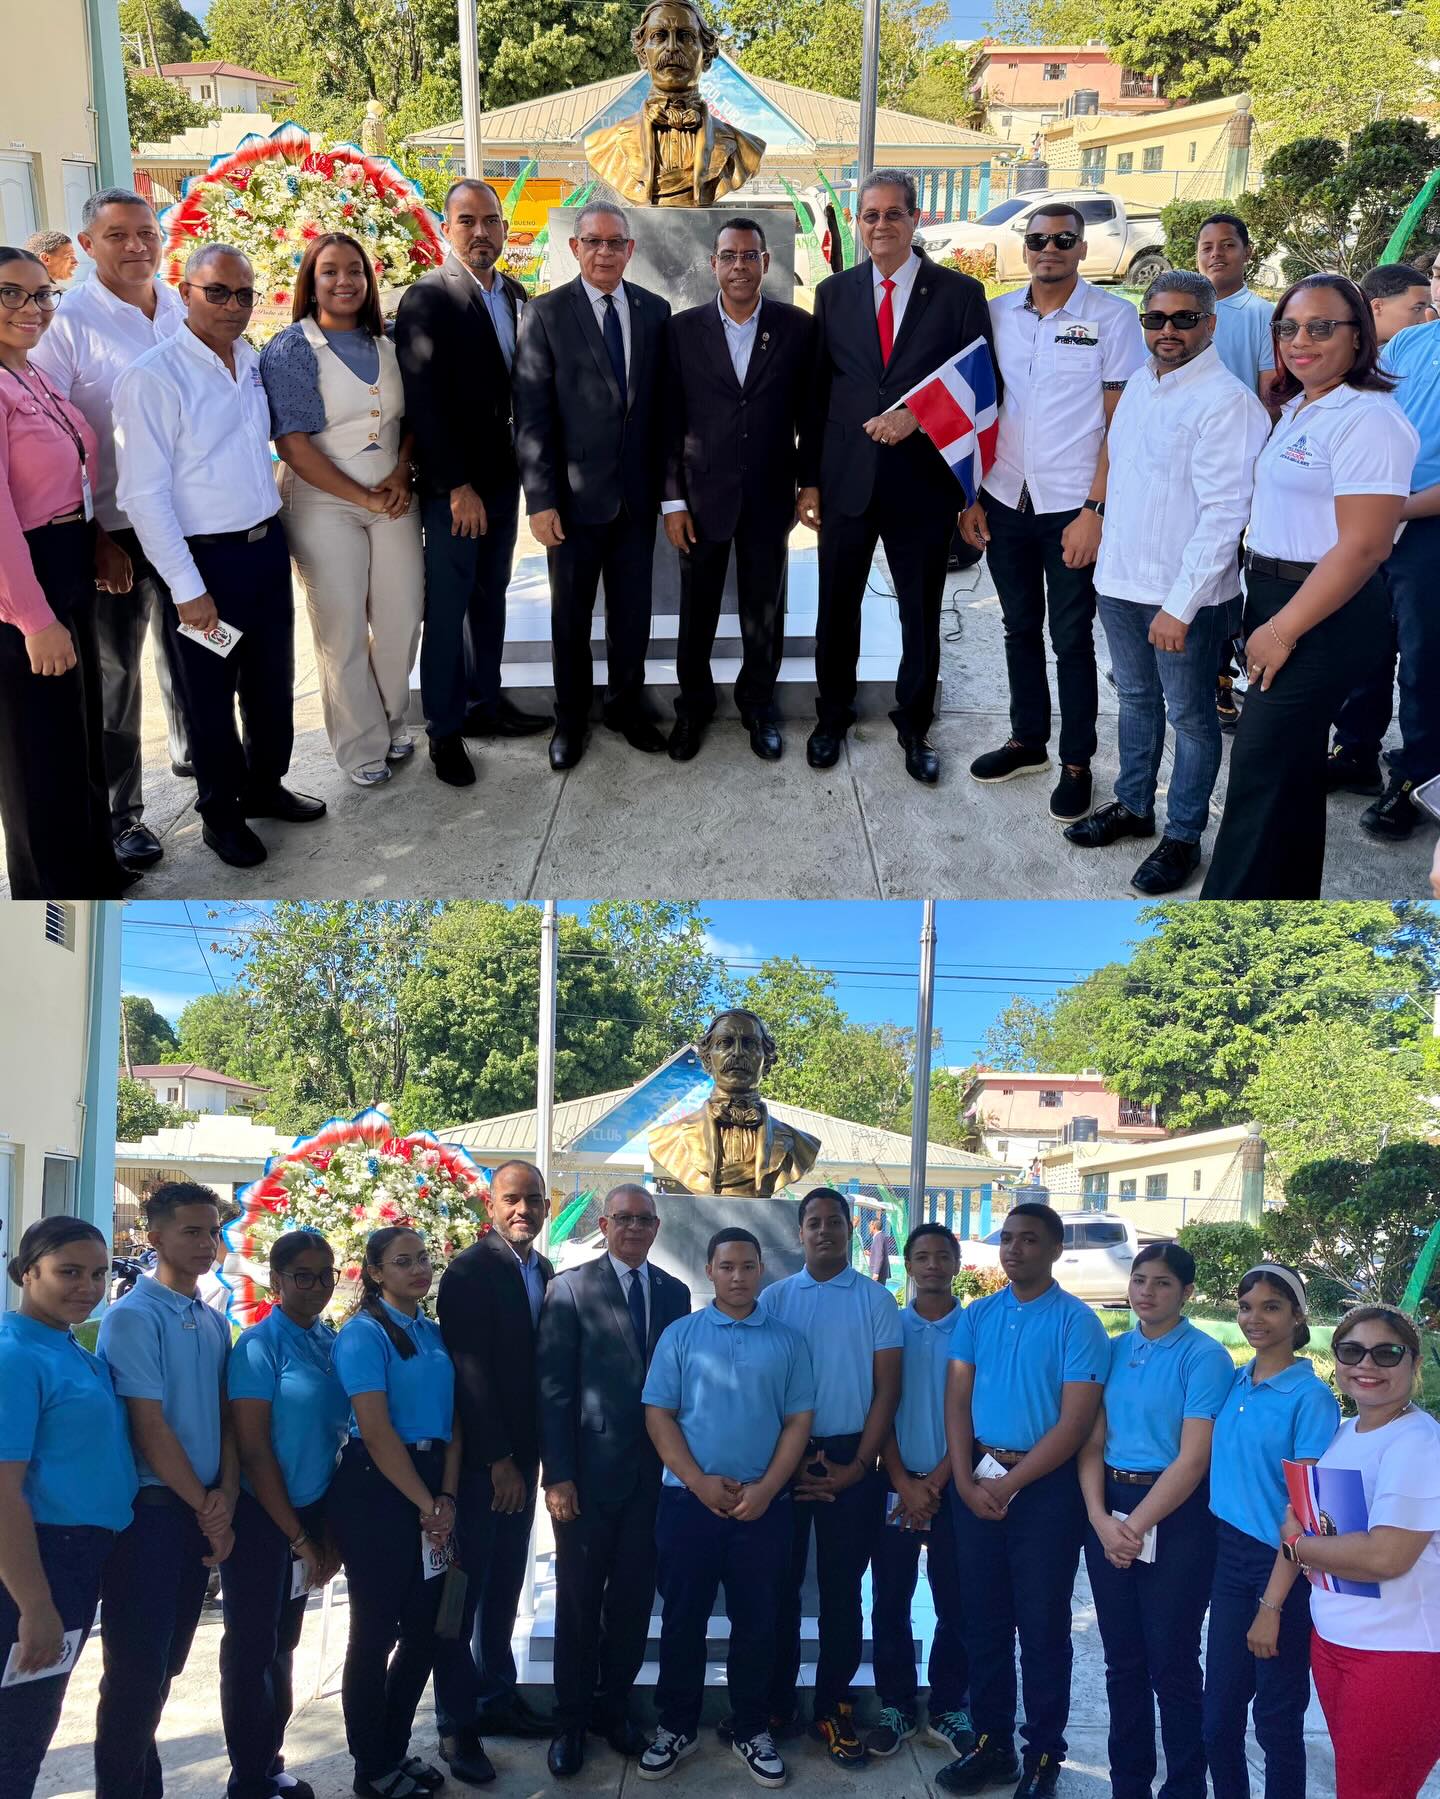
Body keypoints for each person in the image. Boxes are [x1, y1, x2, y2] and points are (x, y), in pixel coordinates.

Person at [1201, 274, 1419, 898]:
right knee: (1289, 776)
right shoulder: (1304, 404)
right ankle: (1288, 904)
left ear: (1360, 337)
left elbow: (1365, 545)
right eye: (1290, 328)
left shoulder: (1369, 418)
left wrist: (1282, 628)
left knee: (1260, 771)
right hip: (1277, 594)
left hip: (1322, 609)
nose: (1302, 341)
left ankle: (1225, 925)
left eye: (1322, 328)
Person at [112, 242, 327, 871]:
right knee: (208, 695)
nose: (233, 306)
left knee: (270, 682)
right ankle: (221, 814)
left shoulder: (252, 362)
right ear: (185, 290)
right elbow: (143, 497)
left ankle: (265, 785)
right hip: (204, 565)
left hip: (262, 551)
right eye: (218, 292)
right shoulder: (153, 377)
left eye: (244, 294)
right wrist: (186, 587)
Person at [1064, 271, 1270, 892]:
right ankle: (1133, 806)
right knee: (1133, 698)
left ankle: (1182, 836)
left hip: (1186, 597)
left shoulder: (1226, 404)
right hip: (1122, 582)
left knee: (1191, 716)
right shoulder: (1139, 389)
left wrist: (1179, 607)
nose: (1168, 331)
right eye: (1156, 320)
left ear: (1210, 324)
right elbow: (1125, 479)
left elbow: (1225, 515)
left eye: (1183, 319)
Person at [796, 168, 996, 785]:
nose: (880, 225)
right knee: (837, 609)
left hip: (921, 485)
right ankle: (832, 716)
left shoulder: (959, 294)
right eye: (870, 215)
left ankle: (915, 725)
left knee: (919, 612)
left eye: (892, 214)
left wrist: (918, 418)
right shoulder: (833, 293)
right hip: (847, 481)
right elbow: (816, 393)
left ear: (914, 220)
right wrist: (809, 480)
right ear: (859, 223)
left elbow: (980, 385)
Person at [962, 202, 1146, 821]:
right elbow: (974, 408)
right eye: (1038, 239)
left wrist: (1097, 508)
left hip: (1072, 507)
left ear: (1082, 248)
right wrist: (972, 495)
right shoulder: (995, 315)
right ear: (1026, 246)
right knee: (1018, 629)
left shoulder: (1112, 319)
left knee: (1070, 639)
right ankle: (1028, 741)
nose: (1049, 249)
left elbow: (1119, 425)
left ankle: (1077, 762)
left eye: (1063, 239)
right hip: (1006, 497)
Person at [30, 188, 190, 875]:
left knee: (194, 651)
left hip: (186, 522)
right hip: (115, 530)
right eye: (117, 235)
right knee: (117, 679)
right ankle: (123, 815)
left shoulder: (178, 304)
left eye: (146, 233)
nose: (135, 246)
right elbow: (56, 436)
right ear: (86, 245)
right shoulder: (67, 326)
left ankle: (201, 757)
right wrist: (96, 535)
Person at [938, 1202, 1109, 1799]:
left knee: (1041, 1629)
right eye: (1007, 1239)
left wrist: (1009, 1485)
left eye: (1029, 1240)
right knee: (982, 1623)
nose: (1014, 1249)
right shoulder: (977, 1315)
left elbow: (1076, 1423)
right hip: (977, 1480)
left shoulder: (1077, 1323)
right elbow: (956, 1401)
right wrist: (963, 1481)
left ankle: (1043, 1754)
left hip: (1043, 1492)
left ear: (1055, 1249)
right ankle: (993, 1744)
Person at [638, 1227, 815, 1788]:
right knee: (683, 1619)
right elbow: (659, 1414)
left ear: (761, 1270)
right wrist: (696, 1482)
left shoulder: (787, 1341)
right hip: (689, 1504)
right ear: (709, 1271)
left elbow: (798, 1422)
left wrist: (765, 1490)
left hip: (764, 1507)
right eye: (726, 1266)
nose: (738, 1276)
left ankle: (752, 1726)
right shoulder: (680, 1335)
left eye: (748, 1266)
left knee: (758, 1622)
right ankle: (676, 1725)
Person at [395, 179, 548, 789]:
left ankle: (488, 702)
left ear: (504, 229)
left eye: (490, 221)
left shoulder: (514, 293)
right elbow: (424, 401)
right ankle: (445, 730)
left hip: (502, 477)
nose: (480, 232)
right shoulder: (427, 299)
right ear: (446, 228)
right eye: (467, 221)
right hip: (456, 486)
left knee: (493, 594)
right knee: (450, 604)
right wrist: (455, 484)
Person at [536, 1184, 691, 1778]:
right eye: (622, 1218)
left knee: (630, 1602)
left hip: (654, 1478)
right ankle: (570, 1721)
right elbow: (552, 1391)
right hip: (586, 1479)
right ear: (603, 1224)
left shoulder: (675, 1294)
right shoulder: (571, 1287)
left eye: (643, 1220)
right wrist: (560, 1476)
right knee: (578, 1602)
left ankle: (614, 1708)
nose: (633, 1228)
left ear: (656, 1227)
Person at [512, 202, 672, 772]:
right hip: (574, 503)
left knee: (633, 613)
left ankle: (626, 708)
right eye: (593, 242)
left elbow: (663, 415)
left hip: (636, 497)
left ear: (631, 249)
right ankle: (571, 720)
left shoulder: (655, 311)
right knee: (571, 618)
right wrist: (542, 501)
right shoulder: (547, 313)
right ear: (575, 248)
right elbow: (531, 414)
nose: (604, 252)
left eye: (615, 242)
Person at [261, 233, 423, 789]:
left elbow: (410, 424)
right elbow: (293, 444)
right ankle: (361, 746)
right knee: (343, 627)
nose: (344, 281)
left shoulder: (392, 343)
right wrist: (364, 497)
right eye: (330, 272)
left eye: (354, 270)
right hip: (321, 500)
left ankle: (392, 716)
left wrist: (402, 474)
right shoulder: (291, 348)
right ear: (311, 281)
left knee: (402, 616)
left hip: (393, 495)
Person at [94, 1181, 238, 1799]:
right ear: (154, 1237)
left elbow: (228, 1418)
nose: (207, 1243)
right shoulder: (133, 1316)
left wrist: (224, 1498)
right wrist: (206, 1506)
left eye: (213, 1231)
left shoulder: (211, 1318)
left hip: (200, 1512)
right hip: (151, 1515)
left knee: (167, 1667)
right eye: (191, 1231)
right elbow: (147, 1426)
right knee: (133, 1673)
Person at [1077, 1241, 1234, 1799]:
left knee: (1171, 1661)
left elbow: (1194, 1458)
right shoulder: (1114, 1349)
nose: (1147, 1291)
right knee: (1122, 1661)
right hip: (1110, 1506)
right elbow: (1092, 1440)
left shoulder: (1204, 1357)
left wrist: (1134, 1526)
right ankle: (1129, 1783)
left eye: (1162, 1283)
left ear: (1187, 1292)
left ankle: (1186, 1783)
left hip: (1177, 1514)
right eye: (1139, 1280)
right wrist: (1099, 1519)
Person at [755, 1186, 902, 1765]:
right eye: (812, 1222)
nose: (823, 1231)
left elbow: (888, 1388)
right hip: (785, 1456)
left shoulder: (875, 1300)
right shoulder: (776, 1298)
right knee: (780, 1587)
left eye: (834, 1222)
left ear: (850, 1230)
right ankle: (777, 1703)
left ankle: (834, 1706)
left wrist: (857, 1466)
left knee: (842, 1591)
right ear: (799, 1233)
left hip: (852, 1456)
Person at [661, 216, 814, 764]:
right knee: (695, 615)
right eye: (729, 256)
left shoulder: (797, 329)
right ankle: (693, 707)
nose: (740, 267)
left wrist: (809, 483)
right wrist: (673, 500)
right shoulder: (681, 332)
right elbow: (668, 422)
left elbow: (811, 415)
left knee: (763, 611)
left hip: (770, 500)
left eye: (750, 256)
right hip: (701, 503)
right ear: (714, 265)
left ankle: (758, 706)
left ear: (766, 263)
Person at [0, 244, 124, 899]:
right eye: (11, 293)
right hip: (25, 580)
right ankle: (53, 891)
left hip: (68, 559)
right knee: (38, 756)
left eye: (43, 293)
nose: (32, 307)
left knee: (79, 741)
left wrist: (98, 539)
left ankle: (94, 871)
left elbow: (69, 470)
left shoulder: (29, 372)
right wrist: (32, 617)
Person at [0, 1217, 137, 1799]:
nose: (87, 1286)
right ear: (28, 1272)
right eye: (68, 1272)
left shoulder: (67, 1345)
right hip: (42, 1559)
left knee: (35, 1719)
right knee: (16, 1730)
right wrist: (35, 1605)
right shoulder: (13, 1354)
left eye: (99, 1274)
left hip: (83, 1556)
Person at [1282, 1306, 1440, 1799]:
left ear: (1414, 1364)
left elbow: (1386, 1556)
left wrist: (1298, 1547)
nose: (1366, 1364)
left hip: (1399, 1654)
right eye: (1352, 1351)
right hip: (1336, 1639)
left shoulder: (1418, 1442)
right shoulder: (1347, 1431)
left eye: (1386, 1353)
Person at [429, 1160, 554, 1782]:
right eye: (511, 1199)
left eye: (532, 1199)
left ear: (547, 1205)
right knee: (463, 1591)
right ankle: (455, 1727)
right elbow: (470, 1373)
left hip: (521, 1460)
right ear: (491, 1204)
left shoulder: (540, 1270)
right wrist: (498, 1459)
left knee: (504, 1589)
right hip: (484, 1464)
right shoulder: (470, 1271)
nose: (522, 1209)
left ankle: (495, 1698)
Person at [329, 1227, 462, 1799]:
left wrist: (447, 1498)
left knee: (427, 1629)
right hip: (379, 1491)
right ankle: (371, 1764)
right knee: (374, 1633)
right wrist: (425, 1504)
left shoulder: (431, 1333)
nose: (418, 1269)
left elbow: (455, 1422)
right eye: (402, 1261)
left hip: (432, 1487)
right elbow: (377, 1432)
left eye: (423, 1258)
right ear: (376, 1272)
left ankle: (395, 1747)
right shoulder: (364, 1335)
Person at [1202, 1262, 1340, 1799]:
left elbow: (1304, 1513)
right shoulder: (1237, 1380)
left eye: (1271, 1307)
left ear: (1297, 1316)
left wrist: (1272, 1604)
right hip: (1228, 1562)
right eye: (1245, 1307)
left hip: (1281, 1568)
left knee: (1277, 1724)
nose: (1254, 1318)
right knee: (1219, 1722)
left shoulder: (1311, 1399)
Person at [221, 1229, 350, 1799]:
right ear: (275, 1281)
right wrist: (298, 1537)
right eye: (303, 1275)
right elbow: (253, 1450)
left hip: (314, 1511)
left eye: (327, 1274)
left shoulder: (327, 1341)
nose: (317, 1286)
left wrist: (325, 1530)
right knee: (250, 1650)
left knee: (283, 1645)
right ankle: (248, 1778)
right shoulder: (258, 1347)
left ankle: (269, 1762)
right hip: (262, 1519)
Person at [1327, 303, 1440, 842]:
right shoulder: (1409, 343)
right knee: (1362, 643)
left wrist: (1390, 509)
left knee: (1424, 662)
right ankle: (1355, 752)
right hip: (1371, 514)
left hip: (1427, 524)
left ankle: (1418, 778)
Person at [865, 1223, 974, 1764]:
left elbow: (977, 1413)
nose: (932, 1265)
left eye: (942, 1256)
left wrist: (937, 1481)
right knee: (890, 1597)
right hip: (895, 1481)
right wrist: (904, 1480)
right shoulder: (891, 1326)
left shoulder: (975, 1326)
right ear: (907, 1265)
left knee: (956, 1597)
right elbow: (878, 1403)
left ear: (956, 1263)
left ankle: (951, 1703)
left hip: (956, 1483)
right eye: (921, 1257)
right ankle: (897, 1704)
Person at [1194, 211, 1276, 731]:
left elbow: (1271, 389)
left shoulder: (1263, 314)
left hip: (1238, 463)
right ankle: (1189, 667)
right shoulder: (1180, 309)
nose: (1216, 254)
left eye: (1227, 245)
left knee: (1228, 571)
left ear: (1246, 252)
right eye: (1206, 246)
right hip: (1183, 463)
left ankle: (1221, 677)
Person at [1360, 263, 1435, 347]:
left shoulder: (1422, 351)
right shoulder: (1347, 353)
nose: (1425, 321)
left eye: (1427, 307)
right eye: (1417, 309)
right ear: (1377, 306)